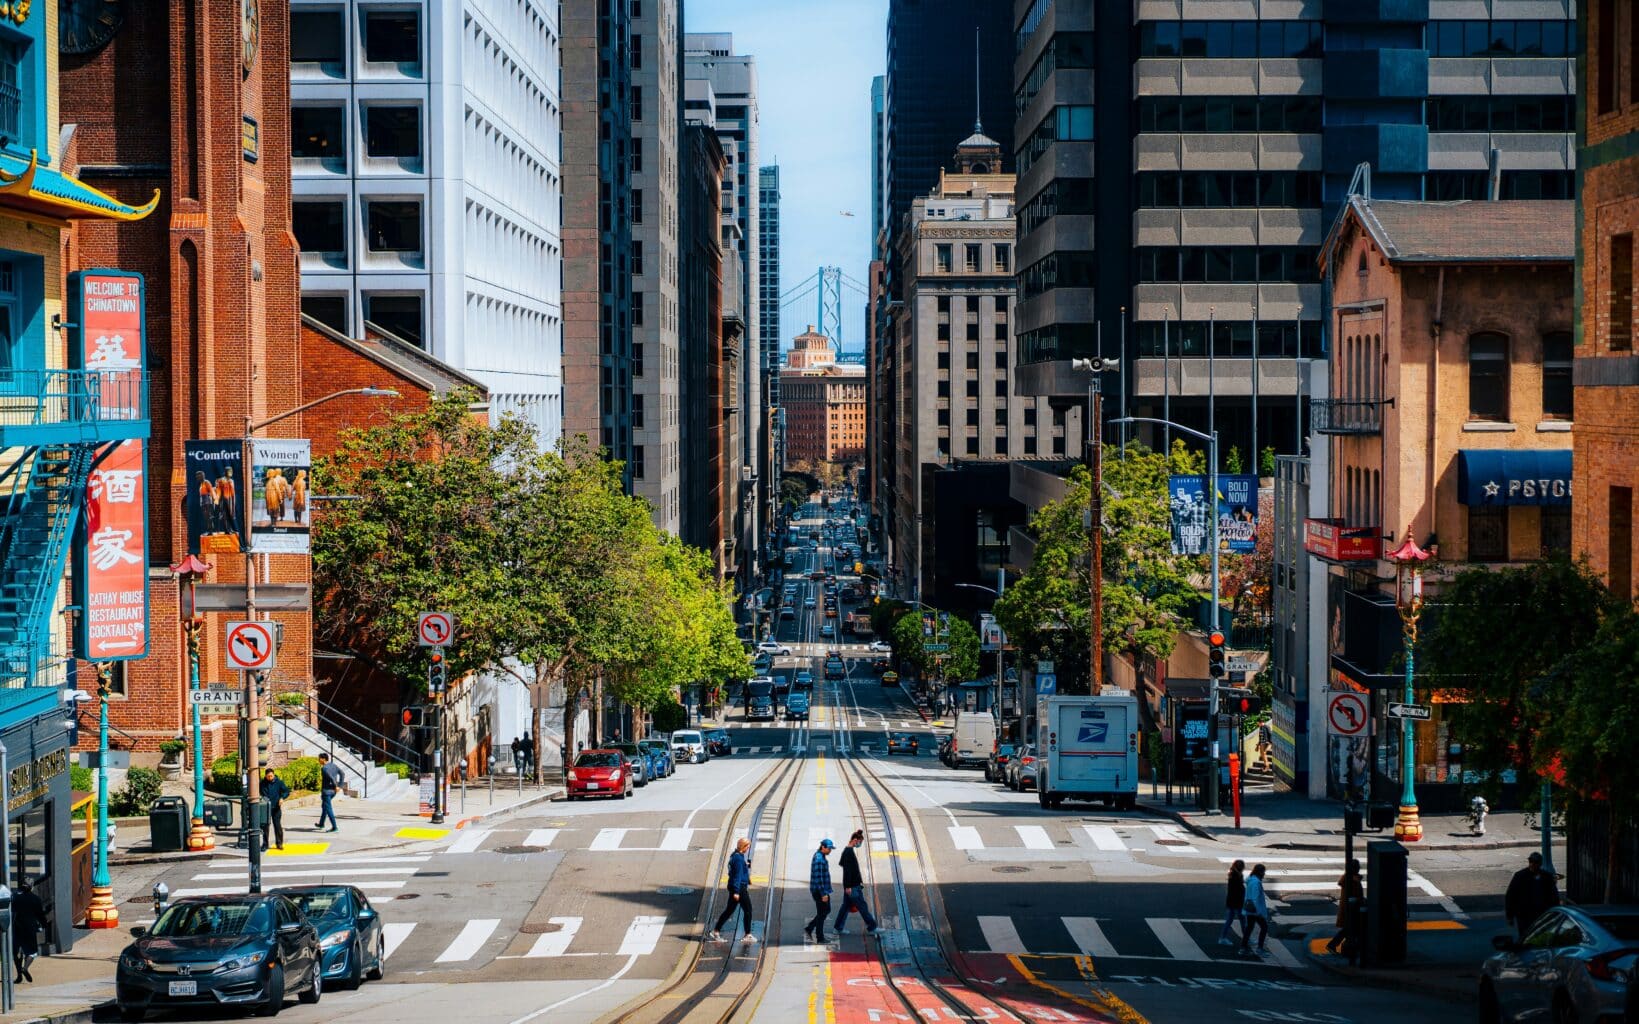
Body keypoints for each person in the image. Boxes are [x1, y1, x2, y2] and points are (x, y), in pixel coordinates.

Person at [709, 838, 756, 945]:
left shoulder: (735, 855)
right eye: (747, 846)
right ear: (743, 846)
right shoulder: (739, 859)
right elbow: (737, 876)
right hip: (739, 888)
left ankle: (716, 931)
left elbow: (733, 870)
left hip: (736, 887)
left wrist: (746, 866)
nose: (748, 848)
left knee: (729, 910)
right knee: (748, 910)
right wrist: (736, 891)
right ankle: (747, 934)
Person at [1505, 852, 1560, 941]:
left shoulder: (1546, 877)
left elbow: (1554, 896)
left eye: (1535, 862)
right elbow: (1511, 896)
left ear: (1540, 864)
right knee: (1525, 938)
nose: (1532, 864)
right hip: (1524, 915)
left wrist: (1555, 913)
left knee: (1541, 938)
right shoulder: (1520, 876)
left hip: (1541, 914)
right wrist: (1509, 916)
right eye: (1531, 861)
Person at [834, 830, 878, 935]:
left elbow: (844, 865)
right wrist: (848, 886)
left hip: (852, 886)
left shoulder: (847, 851)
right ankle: (872, 928)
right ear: (855, 840)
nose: (860, 844)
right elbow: (847, 870)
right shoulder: (848, 852)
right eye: (860, 842)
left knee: (845, 907)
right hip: (852, 887)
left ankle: (838, 928)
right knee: (862, 906)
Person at [1326, 858, 1363, 956]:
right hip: (1351, 909)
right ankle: (1333, 945)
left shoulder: (1349, 878)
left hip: (1348, 908)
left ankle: (1334, 945)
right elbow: (1356, 896)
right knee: (1350, 929)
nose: (1359, 868)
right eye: (1358, 867)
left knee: (1350, 929)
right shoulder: (1353, 880)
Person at [10, 879, 46, 983]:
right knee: (32, 952)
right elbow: (40, 915)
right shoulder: (35, 899)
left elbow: (12, 911)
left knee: (17, 953)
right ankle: (25, 968)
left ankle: (19, 976)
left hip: (17, 928)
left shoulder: (15, 897)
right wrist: (44, 925)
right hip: (30, 929)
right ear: (32, 887)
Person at [804, 838, 835, 944]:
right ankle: (820, 937)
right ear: (823, 847)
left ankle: (810, 928)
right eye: (829, 849)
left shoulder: (820, 856)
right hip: (820, 891)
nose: (830, 851)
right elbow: (818, 878)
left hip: (822, 890)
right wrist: (823, 894)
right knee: (822, 913)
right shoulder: (819, 859)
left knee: (825, 911)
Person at [1240, 863, 1271, 956]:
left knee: (1249, 928)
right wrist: (1259, 913)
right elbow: (1255, 898)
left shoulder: (1250, 880)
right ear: (1260, 872)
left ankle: (1243, 948)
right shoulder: (1256, 883)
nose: (1264, 874)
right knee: (1264, 927)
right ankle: (1260, 948)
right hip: (1255, 910)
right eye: (1263, 872)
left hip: (1249, 908)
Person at [261, 767, 290, 851]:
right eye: (268, 776)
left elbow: (286, 791)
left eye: (271, 776)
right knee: (265, 826)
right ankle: (265, 844)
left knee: (277, 826)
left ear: (273, 775)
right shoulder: (262, 783)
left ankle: (279, 843)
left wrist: (282, 798)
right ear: (265, 776)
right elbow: (259, 792)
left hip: (276, 807)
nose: (270, 778)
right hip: (266, 807)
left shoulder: (279, 782)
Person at [1218, 860, 1245, 946]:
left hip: (1232, 901)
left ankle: (1222, 937)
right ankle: (1246, 937)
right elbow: (1237, 890)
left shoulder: (1234, 875)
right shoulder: (1236, 877)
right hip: (1236, 902)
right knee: (1242, 919)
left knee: (1231, 919)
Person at [316, 752, 344, 832]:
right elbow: (342, 773)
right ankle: (321, 823)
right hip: (333, 792)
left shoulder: (324, 768)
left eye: (319, 758)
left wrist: (336, 786)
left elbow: (331, 777)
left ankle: (334, 827)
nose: (318, 760)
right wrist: (340, 785)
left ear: (323, 759)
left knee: (328, 809)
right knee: (324, 806)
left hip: (326, 792)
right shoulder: (333, 765)